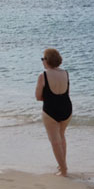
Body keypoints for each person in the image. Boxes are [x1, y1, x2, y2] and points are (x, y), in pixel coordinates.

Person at [35, 48, 72, 176]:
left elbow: (38, 96)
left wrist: (50, 97)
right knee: (61, 137)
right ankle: (62, 165)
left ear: (47, 60)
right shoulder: (65, 73)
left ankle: (63, 170)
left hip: (50, 110)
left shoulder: (43, 76)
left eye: (43, 58)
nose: (42, 61)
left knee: (55, 141)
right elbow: (67, 92)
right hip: (67, 108)